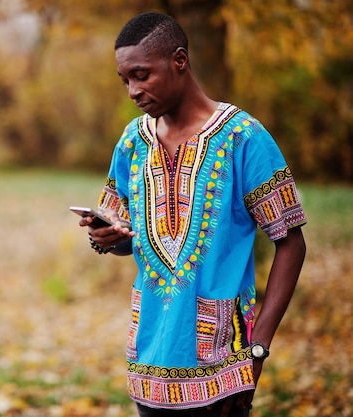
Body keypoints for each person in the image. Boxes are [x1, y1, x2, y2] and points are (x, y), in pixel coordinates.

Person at [79, 11, 307, 417]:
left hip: (222, 365)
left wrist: (257, 350)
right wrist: (106, 239)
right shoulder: (133, 142)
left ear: (179, 61)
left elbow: (290, 243)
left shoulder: (243, 137)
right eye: (125, 80)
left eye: (141, 74)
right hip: (149, 361)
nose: (132, 90)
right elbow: (128, 242)